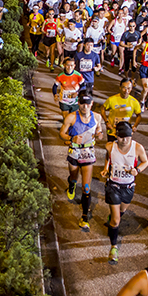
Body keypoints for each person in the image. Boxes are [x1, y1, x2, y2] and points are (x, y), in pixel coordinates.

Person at [102, 122, 148, 264]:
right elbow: (108, 158)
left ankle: (114, 219)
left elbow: (145, 161)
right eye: (121, 137)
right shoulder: (110, 146)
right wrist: (105, 169)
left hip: (128, 187)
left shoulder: (137, 148)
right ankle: (114, 247)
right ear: (116, 136)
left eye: (127, 137)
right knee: (116, 220)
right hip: (113, 186)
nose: (124, 140)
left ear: (131, 135)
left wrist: (137, 170)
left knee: (121, 212)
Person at [59, 92, 106, 232]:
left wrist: (99, 134)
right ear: (78, 104)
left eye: (88, 104)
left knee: (86, 187)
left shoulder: (97, 117)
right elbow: (61, 133)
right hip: (74, 150)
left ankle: (84, 217)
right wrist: (71, 138)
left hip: (88, 152)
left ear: (91, 104)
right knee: (74, 177)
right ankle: (72, 185)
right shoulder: (71, 117)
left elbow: (100, 131)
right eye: (82, 104)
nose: (85, 107)